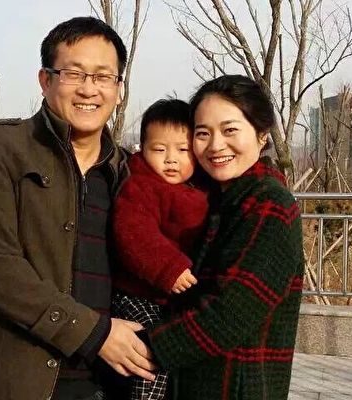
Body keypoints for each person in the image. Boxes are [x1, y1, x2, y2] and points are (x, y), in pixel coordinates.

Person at [0, 17, 156, 400]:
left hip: (107, 381)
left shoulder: (128, 171)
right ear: (46, 80)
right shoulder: (2, 148)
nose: (89, 89)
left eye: (103, 76)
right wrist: (94, 333)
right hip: (14, 378)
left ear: (119, 88)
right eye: (73, 73)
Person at [146, 75, 305, 400]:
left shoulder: (269, 204)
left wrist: (142, 347)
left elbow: (229, 313)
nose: (216, 145)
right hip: (195, 381)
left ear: (261, 134)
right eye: (203, 133)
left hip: (234, 387)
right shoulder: (215, 198)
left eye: (230, 130)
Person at [111, 99, 209, 400]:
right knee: (153, 351)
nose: (171, 160)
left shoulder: (199, 189)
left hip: (171, 297)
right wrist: (169, 267)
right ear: (142, 148)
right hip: (137, 294)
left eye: (182, 150)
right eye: (159, 149)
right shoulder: (140, 186)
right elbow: (133, 233)